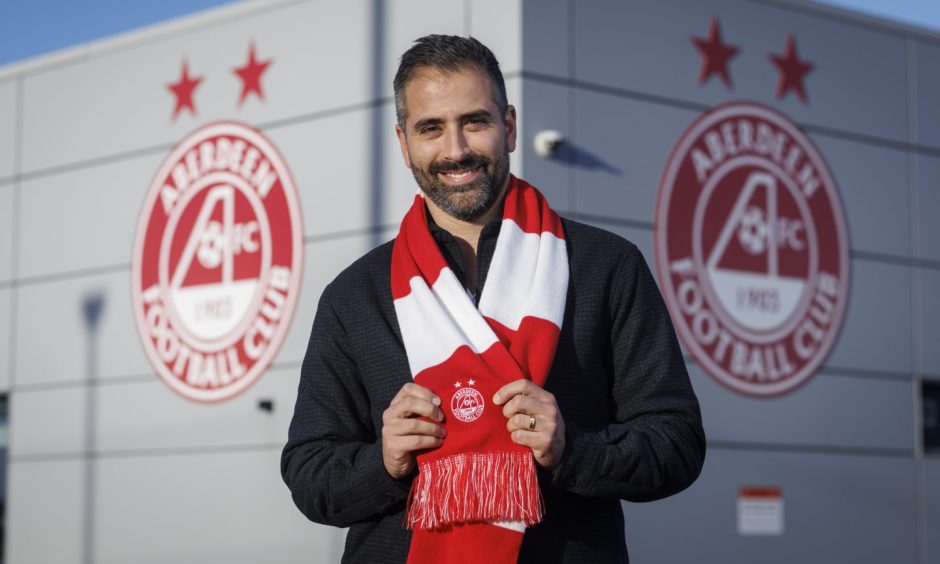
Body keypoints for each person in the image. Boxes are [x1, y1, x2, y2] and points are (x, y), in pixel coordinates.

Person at [281, 34, 705, 563]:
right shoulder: (355, 295)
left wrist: (572, 449)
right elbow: (308, 473)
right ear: (403, 142)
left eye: (474, 122)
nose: (455, 150)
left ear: (508, 125)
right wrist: (383, 460)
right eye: (430, 128)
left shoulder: (605, 266)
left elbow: (678, 444)